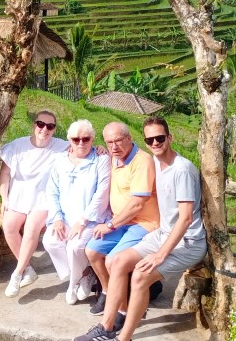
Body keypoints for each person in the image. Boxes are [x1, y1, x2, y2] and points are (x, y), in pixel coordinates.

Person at [75, 116, 206, 341]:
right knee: (115, 261)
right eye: (150, 140)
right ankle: (106, 327)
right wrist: (102, 149)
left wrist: (160, 254)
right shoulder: (154, 162)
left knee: (140, 276)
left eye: (160, 138)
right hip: (163, 234)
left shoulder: (181, 169)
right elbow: (129, 158)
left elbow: (185, 220)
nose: (155, 143)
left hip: (188, 242)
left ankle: (123, 337)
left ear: (170, 138)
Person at [84, 122, 159, 323]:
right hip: (121, 222)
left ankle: (122, 310)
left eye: (118, 141)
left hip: (143, 223)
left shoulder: (142, 161)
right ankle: (109, 293)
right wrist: (96, 149)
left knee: (112, 260)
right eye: (109, 143)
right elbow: (86, 151)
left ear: (129, 139)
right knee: (92, 251)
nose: (114, 146)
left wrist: (109, 225)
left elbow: (137, 205)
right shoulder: (112, 158)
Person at [39, 119, 111, 304]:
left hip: (91, 219)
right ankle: (85, 274)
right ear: (69, 139)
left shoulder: (101, 159)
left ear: (93, 139)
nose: (80, 143)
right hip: (64, 217)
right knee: (50, 242)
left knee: (75, 247)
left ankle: (72, 285)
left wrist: (83, 220)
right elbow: (52, 190)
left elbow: (102, 193)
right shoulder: (60, 159)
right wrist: (56, 218)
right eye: (76, 139)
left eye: (86, 139)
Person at [0, 110, 68, 297]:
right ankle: (28, 269)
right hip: (19, 195)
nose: (44, 129)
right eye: (41, 124)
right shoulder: (18, 146)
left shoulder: (61, 146)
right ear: (34, 125)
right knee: (9, 226)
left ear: (54, 130)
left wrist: (101, 149)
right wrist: (4, 198)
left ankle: (17, 273)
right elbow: (5, 173)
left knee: (31, 229)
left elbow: (84, 145)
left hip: (43, 198)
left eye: (50, 126)